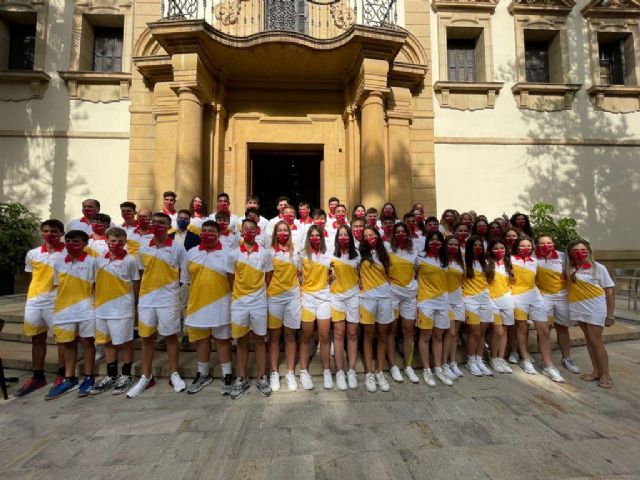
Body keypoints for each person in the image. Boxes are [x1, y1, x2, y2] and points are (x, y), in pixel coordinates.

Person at [127, 212, 187, 398]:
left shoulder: (177, 248)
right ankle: (146, 376)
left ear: (169, 225)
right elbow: (140, 274)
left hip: (168, 299)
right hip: (147, 300)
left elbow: (183, 276)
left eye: (161, 222)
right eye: (154, 222)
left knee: (171, 337)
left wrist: (171, 292)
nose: (156, 225)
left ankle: (174, 373)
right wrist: (139, 299)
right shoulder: (144, 248)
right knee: (147, 337)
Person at [14, 220, 67, 397]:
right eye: (45, 231)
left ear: (61, 233)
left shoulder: (69, 252)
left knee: (62, 340)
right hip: (35, 301)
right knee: (37, 338)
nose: (49, 234)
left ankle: (62, 375)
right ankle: (37, 376)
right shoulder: (33, 254)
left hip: (58, 301)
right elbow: (33, 277)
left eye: (54, 231)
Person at [181, 221, 234, 395]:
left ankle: (227, 374)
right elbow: (186, 280)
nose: (207, 233)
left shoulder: (228, 253)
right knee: (202, 341)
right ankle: (202, 373)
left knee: (222, 340)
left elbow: (233, 281)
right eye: (204, 231)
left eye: (211, 231)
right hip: (198, 305)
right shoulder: (191, 253)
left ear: (219, 234)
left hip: (221, 304)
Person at [45, 230, 97, 399]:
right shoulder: (59, 262)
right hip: (64, 310)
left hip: (86, 309)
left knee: (87, 342)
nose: (70, 244)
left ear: (84, 244)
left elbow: (97, 287)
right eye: (67, 241)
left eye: (75, 241)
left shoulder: (92, 262)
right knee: (68, 344)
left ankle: (89, 377)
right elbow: (58, 284)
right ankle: (69, 378)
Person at [89, 227, 140, 395]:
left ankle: (126, 374)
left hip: (122, 309)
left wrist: (136, 309)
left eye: (120, 241)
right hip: (103, 308)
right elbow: (94, 283)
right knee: (107, 341)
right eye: (112, 241)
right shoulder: (98, 260)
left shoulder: (130, 260)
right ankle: (111, 375)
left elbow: (135, 285)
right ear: (106, 241)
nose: (116, 244)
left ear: (125, 242)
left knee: (126, 342)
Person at [227, 218, 272, 399]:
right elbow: (231, 277)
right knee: (242, 340)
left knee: (260, 339)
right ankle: (242, 377)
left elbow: (269, 275)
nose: (249, 231)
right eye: (245, 228)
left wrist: (258, 292)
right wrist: (240, 293)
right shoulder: (233, 253)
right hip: (239, 302)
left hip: (259, 302)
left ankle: (262, 377)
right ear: (241, 231)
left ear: (257, 231)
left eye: (252, 229)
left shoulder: (265, 253)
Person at [511, 236, 565, 382]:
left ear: (533, 247)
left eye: (528, 246)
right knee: (521, 328)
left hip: (535, 297)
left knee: (544, 330)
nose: (525, 249)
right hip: (517, 297)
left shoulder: (536, 261)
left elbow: (539, 279)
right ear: (516, 247)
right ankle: (525, 358)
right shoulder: (510, 260)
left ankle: (548, 365)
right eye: (522, 246)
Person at [565, 241, 615, 389]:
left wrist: (610, 314)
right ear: (570, 253)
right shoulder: (570, 268)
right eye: (575, 250)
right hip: (578, 307)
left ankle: (606, 375)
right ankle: (596, 371)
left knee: (596, 340)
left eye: (583, 249)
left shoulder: (598, 268)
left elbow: (610, 290)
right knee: (589, 340)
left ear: (589, 251)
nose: (580, 252)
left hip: (595, 307)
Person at [535, 234, 580, 374]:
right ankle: (545, 360)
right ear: (537, 245)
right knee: (544, 329)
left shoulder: (562, 256)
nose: (545, 246)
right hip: (543, 297)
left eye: (548, 242)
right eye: (542, 243)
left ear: (553, 243)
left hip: (562, 296)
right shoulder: (533, 257)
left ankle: (566, 358)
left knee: (562, 328)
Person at [266, 221, 301, 392]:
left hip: (292, 297)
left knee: (290, 336)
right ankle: (273, 372)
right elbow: (266, 275)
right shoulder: (269, 252)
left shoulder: (296, 252)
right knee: (274, 336)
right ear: (275, 233)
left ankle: (289, 372)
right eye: (279, 230)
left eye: (285, 230)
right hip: (274, 298)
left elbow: (300, 273)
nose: (282, 233)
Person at [359, 226, 393, 393]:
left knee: (382, 336)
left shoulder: (385, 251)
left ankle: (380, 372)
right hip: (367, 300)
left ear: (377, 235)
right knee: (368, 336)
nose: (369, 237)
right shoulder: (360, 253)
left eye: (371, 234)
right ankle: (369, 373)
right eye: (365, 236)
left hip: (385, 298)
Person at [299, 225, 333, 389]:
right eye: (311, 235)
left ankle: (327, 371)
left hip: (324, 298)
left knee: (324, 336)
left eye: (317, 235)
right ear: (308, 237)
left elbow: (332, 276)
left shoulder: (328, 255)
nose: (314, 238)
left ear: (322, 237)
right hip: (307, 297)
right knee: (306, 336)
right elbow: (298, 275)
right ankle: (304, 371)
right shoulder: (302, 254)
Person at [416, 231, 452, 386]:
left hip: (443, 302)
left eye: (438, 240)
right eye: (432, 240)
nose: (435, 243)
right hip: (426, 302)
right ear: (427, 242)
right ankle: (426, 370)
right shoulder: (420, 258)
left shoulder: (445, 259)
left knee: (438, 337)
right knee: (425, 337)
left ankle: (438, 368)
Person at [386, 222, 420, 384]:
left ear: (407, 234)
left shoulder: (414, 251)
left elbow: (419, 272)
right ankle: (393, 366)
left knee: (408, 331)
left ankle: (408, 366)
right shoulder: (388, 249)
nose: (400, 234)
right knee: (391, 331)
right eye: (397, 232)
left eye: (403, 232)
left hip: (409, 295)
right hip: (392, 293)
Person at [330, 225, 361, 390]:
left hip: (353, 297)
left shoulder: (357, 255)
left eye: (346, 235)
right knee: (339, 333)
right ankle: (340, 371)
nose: (343, 237)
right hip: (337, 297)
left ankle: (351, 370)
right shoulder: (331, 255)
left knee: (353, 333)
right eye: (340, 235)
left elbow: (361, 276)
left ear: (350, 237)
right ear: (336, 238)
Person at [461, 236, 494, 377]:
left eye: (480, 246)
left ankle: (479, 360)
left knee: (482, 332)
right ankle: (471, 361)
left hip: (485, 300)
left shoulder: (485, 262)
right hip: (470, 300)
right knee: (474, 332)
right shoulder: (463, 262)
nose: (478, 248)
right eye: (475, 246)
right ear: (469, 247)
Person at [485, 238, 514, 374]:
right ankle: (493, 358)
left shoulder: (510, 264)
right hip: (492, 301)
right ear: (490, 250)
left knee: (505, 331)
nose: (499, 251)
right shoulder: (487, 264)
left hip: (507, 301)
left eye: (502, 248)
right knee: (497, 332)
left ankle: (501, 358)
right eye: (496, 248)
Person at [443, 236, 465, 380]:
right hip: (445, 300)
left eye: (456, 244)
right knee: (450, 333)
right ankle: (444, 363)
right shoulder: (441, 262)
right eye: (450, 244)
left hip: (458, 300)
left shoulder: (460, 262)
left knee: (455, 334)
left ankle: (453, 362)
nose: (454, 246)